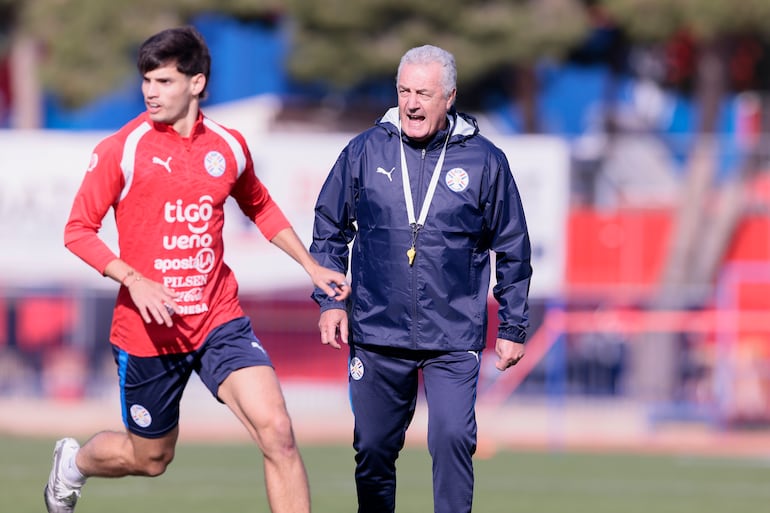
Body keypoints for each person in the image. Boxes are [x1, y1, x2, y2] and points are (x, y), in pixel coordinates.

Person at [45, 26, 349, 513]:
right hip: (150, 334)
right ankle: (74, 463)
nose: (150, 91)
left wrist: (311, 266)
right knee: (149, 458)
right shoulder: (122, 148)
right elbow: (78, 230)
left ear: (197, 83)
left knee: (278, 432)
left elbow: (261, 207)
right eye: (147, 79)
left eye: (164, 81)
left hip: (217, 320)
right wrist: (133, 278)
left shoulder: (228, 145)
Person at [310, 45, 532, 513]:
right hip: (377, 330)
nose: (412, 103)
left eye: (424, 93)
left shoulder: (484, 161)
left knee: (453, 439)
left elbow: (512, 246)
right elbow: (329, 227)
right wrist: (330, 300)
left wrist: (512, 326)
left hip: (452, 334)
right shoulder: (365, 151)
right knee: (371, 449)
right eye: (404, 91)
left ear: (449, 97)